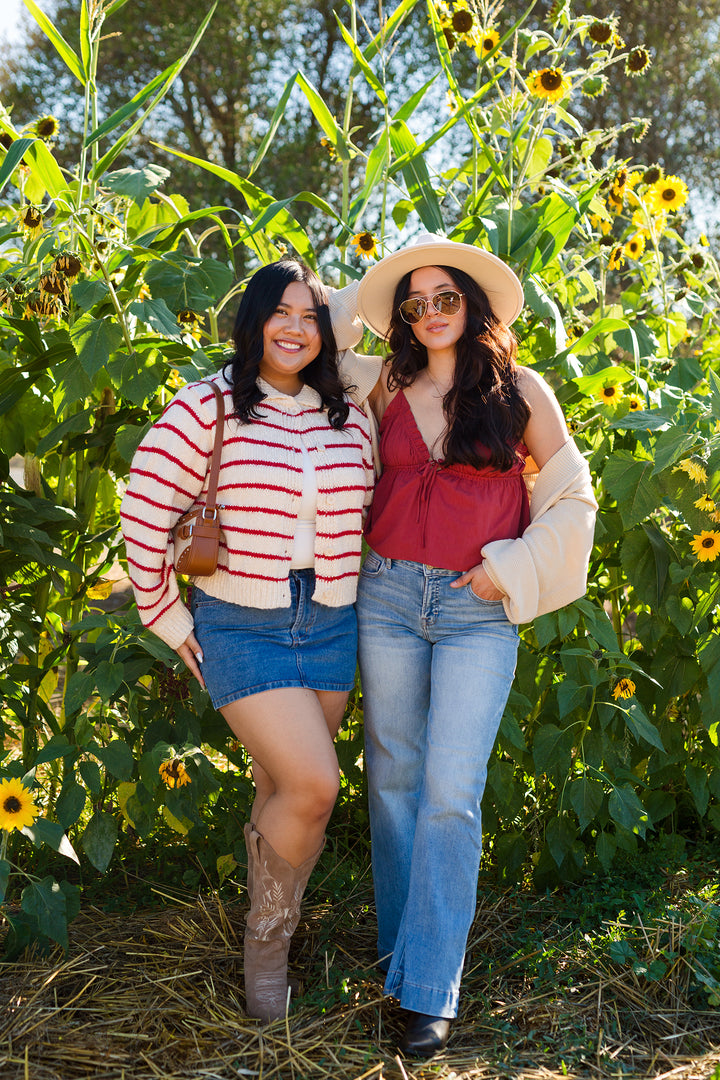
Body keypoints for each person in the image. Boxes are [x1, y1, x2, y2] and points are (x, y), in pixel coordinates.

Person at [348, 233, 597, 1057]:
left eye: (444, 298)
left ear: (473, 304)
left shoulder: (522, 392)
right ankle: (402, 958)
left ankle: (429, 992)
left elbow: (573, 499)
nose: (428, 314)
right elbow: (312, 340)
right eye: (412, 304)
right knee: (391, 779)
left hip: (473, 610)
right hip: (384, 597)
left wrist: (513, 568)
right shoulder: (383, 382)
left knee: (451, 789)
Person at [120, 259, 374, 1024]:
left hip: (329, 618)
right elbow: (143, 509)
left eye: (312, 316)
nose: (296, 329)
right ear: (256, 320)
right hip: (240, 622)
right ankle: (268, 953)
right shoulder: (209, 407)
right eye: (282, 313)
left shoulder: (349, 415)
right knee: (314, 786)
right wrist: (168, 619)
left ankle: (265, 945)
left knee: (280, 789)